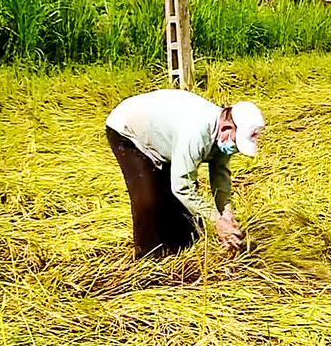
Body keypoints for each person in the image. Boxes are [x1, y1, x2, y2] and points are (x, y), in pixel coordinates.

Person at [105, 89, 265, 257]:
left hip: (164, 138)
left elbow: (220, 175)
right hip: (128, 132)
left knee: (182, 214)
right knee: (149, 201)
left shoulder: (223, 136)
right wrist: (217, 222)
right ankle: (147, 263)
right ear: (226, 127)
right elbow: (182, 187)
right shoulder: (196, 133)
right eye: (236, 143)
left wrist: (226, 214)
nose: (235, 149)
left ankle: (178, 249)